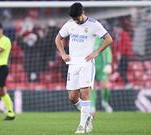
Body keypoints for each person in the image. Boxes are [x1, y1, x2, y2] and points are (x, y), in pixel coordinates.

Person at [55, 2, 113, 133]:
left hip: (87, 63)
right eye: (74, 18)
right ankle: (89, 115)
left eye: (77, 18)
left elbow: (108, 39)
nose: (76, 21)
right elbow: (58, 39)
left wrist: (96, 52)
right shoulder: (70, 24)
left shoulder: (94, 25)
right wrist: (63, 53)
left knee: (85, 93)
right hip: (72, 64)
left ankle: (81, 126)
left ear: (83, 12)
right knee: (72, 97)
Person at [90, 37, 113, 113]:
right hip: (90, 67)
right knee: (91, 87)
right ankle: (92, 106)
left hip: (102, 67)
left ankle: (105, 102)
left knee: (105, 86)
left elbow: (108, 52)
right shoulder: (87, 39)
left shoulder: (101, 39)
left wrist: (108, 63)